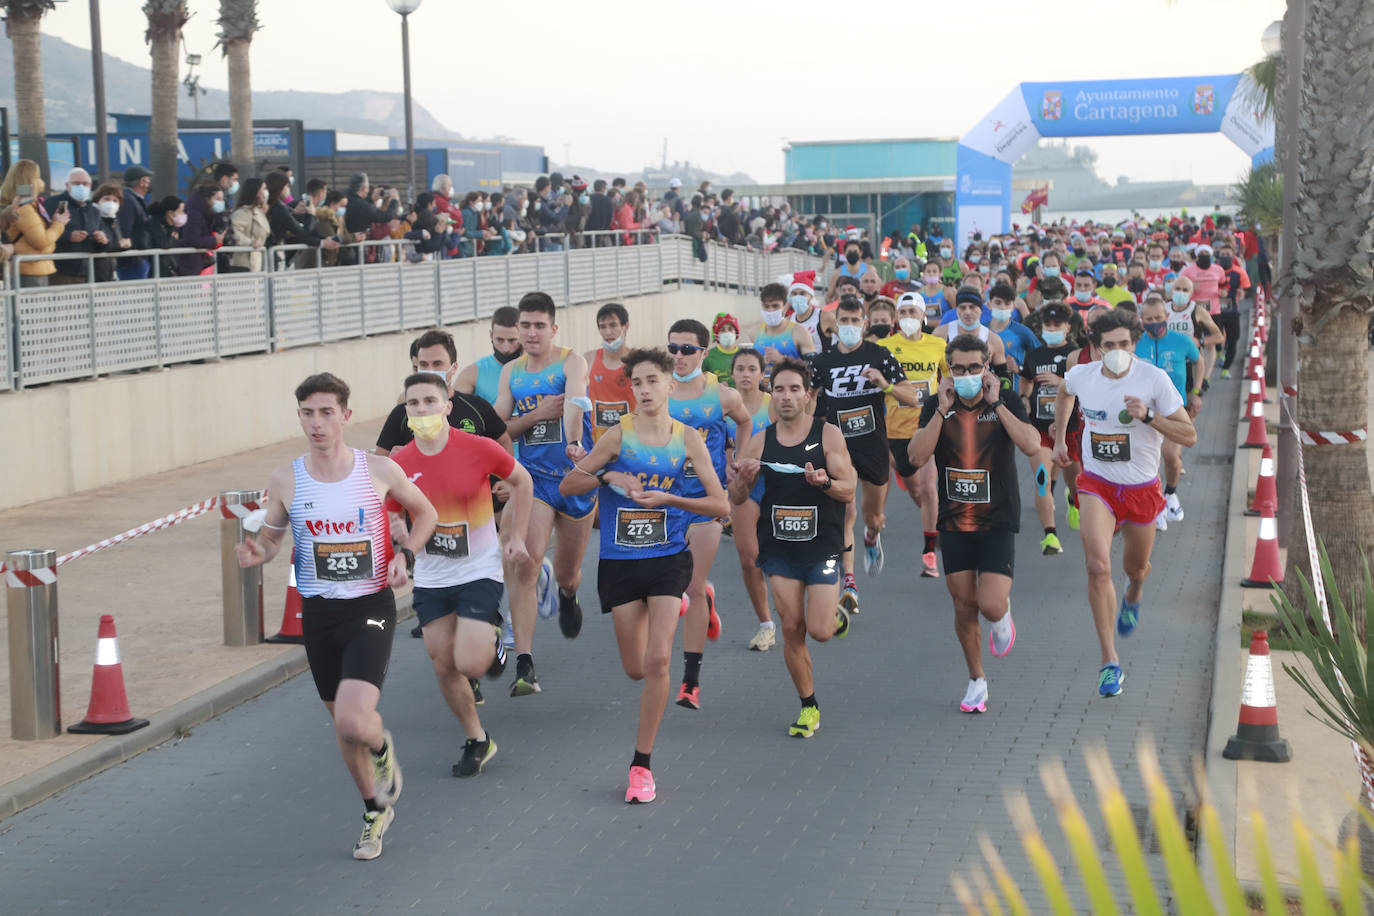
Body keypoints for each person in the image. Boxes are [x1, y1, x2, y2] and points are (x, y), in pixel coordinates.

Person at [235, 372, 437, 861]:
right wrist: (258, 554)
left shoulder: (378, 471)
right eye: (308, 413)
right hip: (319, 614)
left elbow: (426, 514)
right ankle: (374, 811)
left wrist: (405, 554)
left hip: (369, 607)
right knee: (343, 726)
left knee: (353, 719)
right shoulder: (286, 479)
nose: (317, 423)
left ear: (346, 415)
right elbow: (273, 539)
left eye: (327, 412)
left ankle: (382, 748)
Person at [561, 347, 729, 804]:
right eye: (637, 382)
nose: (646, 389)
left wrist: (669, 501)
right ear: (630, 388)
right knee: (636, 669)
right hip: (619, 562)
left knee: (658, 663)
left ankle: (641, 765)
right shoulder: (618, 436)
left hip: (668, 559)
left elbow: (721, 506)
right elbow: (568, 485)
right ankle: (694, 602)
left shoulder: (689, 438)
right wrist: (609, 478)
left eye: (654, 380)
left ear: (670, 385)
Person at [386, 372, 534, 779]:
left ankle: (493, 643)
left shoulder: (478, 448)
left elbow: (523, 481)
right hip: (433, 576)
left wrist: (516, 535)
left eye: (429, 402)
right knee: (443, 665)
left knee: (470, 662)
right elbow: (388, 510)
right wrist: (398, 538)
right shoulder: (399, 465)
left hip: (479, 567)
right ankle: (477, 739)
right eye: (413, 404)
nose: (421, 410)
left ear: (447, 406)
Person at [1052, 310, 1197, 698]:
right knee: (1098, 567)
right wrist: (1060, 438)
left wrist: (1149, 416)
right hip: (1097, 483)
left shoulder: (1154, 380)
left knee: (1135, 568)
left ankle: (1134, 592)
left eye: (1124, 345)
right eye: (1109, 345)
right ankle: (1110, 662)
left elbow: (1190, 434)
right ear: (1096, 348)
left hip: (1141, 489)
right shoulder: (1083, 375)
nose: (1117, 351)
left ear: (1134, 345)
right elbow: (1064, 392)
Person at [910, 333, 1040, 712]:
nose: (966, 374)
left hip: (997, 518)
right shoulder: (937, 404)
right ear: (949, 370)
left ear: (986, 367)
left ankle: (1002, 618)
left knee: (990, 604)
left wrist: (997, 403)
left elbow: (1031, 444)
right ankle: (976, 680)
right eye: (959, 368)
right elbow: (917, 456)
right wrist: (940, 410)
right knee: (963, 603)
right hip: (954, 520)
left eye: (974, 367)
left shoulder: (1005, 399)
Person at [730, 357, 855, 738]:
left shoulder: (828, 435)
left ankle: (834, 615)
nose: (786, 396)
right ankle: (808, 706)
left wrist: (824, 484)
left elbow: (849, 489)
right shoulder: (760, 440)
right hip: (779, 549)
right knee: (791, 627)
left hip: (822, 547)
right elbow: (735, 498)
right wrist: (744, 482)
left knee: (819, 630)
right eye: (779, 389)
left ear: (808, 396)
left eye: (794, 389)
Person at [493, 292, 595, 694]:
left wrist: (573, 439)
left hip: (573, 477)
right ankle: (525, 662)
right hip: (533, 479)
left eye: (539, 326)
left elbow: (574, 404)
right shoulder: (512, 373)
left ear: (553, 329)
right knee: (526, 562)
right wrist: (534, 415)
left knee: (568, 571)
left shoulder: (572, 361)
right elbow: (500, 426)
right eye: (525, 325)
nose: (531, 333)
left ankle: (568, 593)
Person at [809, 297, 920, 610]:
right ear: (836, 324)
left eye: (855, 321)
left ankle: (872, 537)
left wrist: (885, 385)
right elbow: (809, 400)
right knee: (846, 513)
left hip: (872, 445)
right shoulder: (823, 361)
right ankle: (849, 582)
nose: (849, 327)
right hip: (837, 447)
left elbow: (912, 397)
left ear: (865, 324)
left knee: (872, 517)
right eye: (843, 321)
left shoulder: (878, 355)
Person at [665, 319, 753, 709]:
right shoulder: (657, 392)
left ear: (704, 352)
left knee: (692, 586)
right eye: (673, 348)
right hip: (665, 500)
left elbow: (746, 420)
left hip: (707, 498)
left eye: (688, 349)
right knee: (675, 583)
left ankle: (690, 681)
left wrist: (740, 459)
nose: (679, 356)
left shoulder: (722, 395)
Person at [879, 292, 949, 578]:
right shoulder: (883, 347)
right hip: (892, 432)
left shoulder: (938, 345)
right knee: (918, 492)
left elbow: (950, 379)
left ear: (924, 316)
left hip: (926, 428)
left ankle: (929, 551)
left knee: (930, 490)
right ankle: (933, 523)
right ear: (896, 317)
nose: (908, 316)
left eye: (913, 311)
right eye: (903, 311)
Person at [1017, 302, 1082, 555]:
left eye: (1057, 325)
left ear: (1067, 327)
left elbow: (1085, 388)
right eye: (1047, 325)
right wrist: (1024, 398)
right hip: (1040, 430)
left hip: (1069, 429)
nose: (1052, 329)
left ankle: (1073, 500)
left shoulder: (1075, 354)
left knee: (1075, 480)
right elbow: (1025, 378)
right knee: (1042, 478)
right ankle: (1050, 536)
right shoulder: (1034, 355)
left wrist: (1062, 381)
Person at [724, 348, 777, 650]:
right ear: (732, 373)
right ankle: (766, 625)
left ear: (761, 374)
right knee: (749, 559)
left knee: (784, 556)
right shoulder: (723, 405)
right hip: (742, 488)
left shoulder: (772, 405)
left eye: (751, 369)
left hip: (776, 486)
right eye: (740, 368)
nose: (745, 374)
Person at [1136, 295, 1202, 531]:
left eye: (1158, 317)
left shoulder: (1181, 341)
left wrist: (1196, 391)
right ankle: (1158, 506)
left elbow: (1198, 360)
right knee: (1150, 461)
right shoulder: (1136, 343)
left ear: (1166, 317)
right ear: (1142, 320)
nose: (1154, 322)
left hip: (1175, 409)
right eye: (1149, 319)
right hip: (1144, 411)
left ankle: (1171, 493)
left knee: (1171, 456)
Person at [1, 159, 70, 286]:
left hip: (30, 269)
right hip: (30, 271)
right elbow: (41, 242)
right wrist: (58, 224)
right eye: (37, 177)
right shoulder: (25, 209)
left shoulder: (21, 206)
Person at [584, 302, 636, 442]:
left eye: (613, 325)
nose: (607, 332)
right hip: (598, 444)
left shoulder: (638, 360)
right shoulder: (588, 359)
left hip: (631, 443)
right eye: (603, 327)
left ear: (626, 326)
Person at [454, 307, 522, 406]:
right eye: (500, 340)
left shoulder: (538, 367)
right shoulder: (473, 373)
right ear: (491, 335)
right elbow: (452, 409)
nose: (505, 348)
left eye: (512, 340)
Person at [1163, 274, 1224, 380]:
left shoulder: (1197, 311)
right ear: (1172, 290)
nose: (1181, 292)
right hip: (1167, 360)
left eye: (1185, 290)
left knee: (1190, 394)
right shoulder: (1163, 309)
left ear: (1191, 294)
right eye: (1177, 289)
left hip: (1191, 362)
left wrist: (1199, 342)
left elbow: (1219, 337)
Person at [48, 167, 100, 284]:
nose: (81, 187)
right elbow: (45, 234)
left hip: (87, 273)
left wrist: (103, 240)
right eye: (76, 183)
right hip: (60, 272)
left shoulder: (93, 209)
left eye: (85, 184)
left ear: (90, 186)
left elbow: (101, 238)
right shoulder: (58, 204)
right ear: (67, 185)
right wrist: (68, 236)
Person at [753, 282, 816, 376]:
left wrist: (783, 360)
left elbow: (814, 368)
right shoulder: (754, 332)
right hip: (762, 389)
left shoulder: (799, 332)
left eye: (775, 306)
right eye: (766, 306)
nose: (770, 311)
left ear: (785, 306)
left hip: (790, 388)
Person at [117, 165, 155, 280]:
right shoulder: (129, 200)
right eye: (148, 180)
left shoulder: (135, 200)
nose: (150, 183)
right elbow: (125, 230)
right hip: (133, 261)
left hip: (138, 258)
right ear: (141, 182)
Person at [228, 178, 270, 273]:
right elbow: (233, 233)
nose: (266, 192)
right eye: (264, 189)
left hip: (256, 262)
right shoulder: (242, 213)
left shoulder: (258, 211)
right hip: (244, 264)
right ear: (256, 191)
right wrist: (250, 242)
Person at [701, 313, 741, 385]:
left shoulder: (743, 355)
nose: (727, 332)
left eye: (730, 329)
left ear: (736, 333)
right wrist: (716, 387)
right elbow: (701, 382)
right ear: (716, 335)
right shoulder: (708, 356)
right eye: (722, 330)